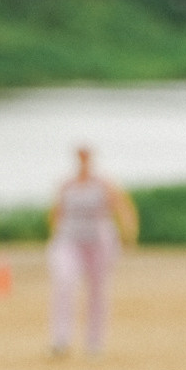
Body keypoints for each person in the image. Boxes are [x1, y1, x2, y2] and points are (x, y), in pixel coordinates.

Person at [48, 146, 137, 357]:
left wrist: (128, 233)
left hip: (99, 242)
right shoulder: (67, 184)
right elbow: (57, 212)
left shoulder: (104, 184)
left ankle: (94, 342)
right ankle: (61, 339)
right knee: (64, 283)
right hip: (70, 240)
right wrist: (54, 234)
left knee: (97, 291)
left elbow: (122, 207)